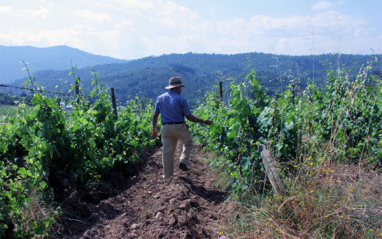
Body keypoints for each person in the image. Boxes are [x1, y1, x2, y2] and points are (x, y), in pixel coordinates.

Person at [152, 76, 213, 182]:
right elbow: (189, 117)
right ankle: (183, 161)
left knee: (167, 153)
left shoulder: (160, 98)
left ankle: (167, 178)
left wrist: (154, 129)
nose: (181, 90)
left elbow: (155, 115)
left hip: (165, 128)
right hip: (179, 126)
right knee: (188, 143)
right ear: (177, 88)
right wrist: (204, 121)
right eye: (180, 88)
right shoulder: (181, 99)